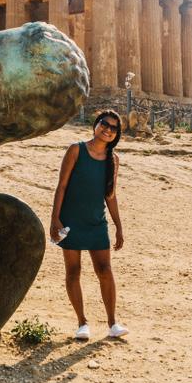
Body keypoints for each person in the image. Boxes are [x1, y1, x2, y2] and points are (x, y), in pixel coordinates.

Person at [50, 110, 128, 340]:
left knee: (104, 270)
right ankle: (82, 322)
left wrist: (118, 226)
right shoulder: (76, 150)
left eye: (114, 128)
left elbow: (110, 196)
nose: (108, 129)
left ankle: (113, 323)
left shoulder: (113, 160)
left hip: (96, 222)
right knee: (73, 271)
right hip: (71, 221)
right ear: (96, 124)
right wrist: (55, 219)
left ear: (116, 135)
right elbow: (61, 186)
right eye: (105, 124)